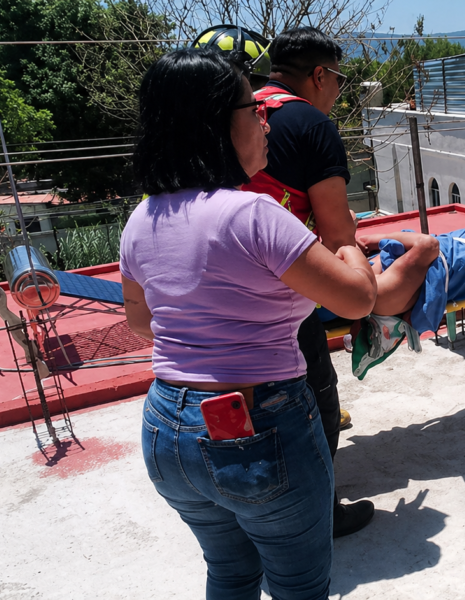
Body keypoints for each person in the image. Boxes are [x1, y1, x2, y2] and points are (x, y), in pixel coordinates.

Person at [120, 48, 378, 599]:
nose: (264, 119)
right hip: (259, 422)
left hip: (167, 428)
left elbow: (142, 323)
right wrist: (348, 245)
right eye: (252, 107)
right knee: (298, 586)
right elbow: (357, 299)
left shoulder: (142, 219)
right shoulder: (254, 214)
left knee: (231, 575)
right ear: (215, 123)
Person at [241, 26, 374, 537]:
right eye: (338, 79)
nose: (338, 90)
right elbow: (337, 229)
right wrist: (352, 260)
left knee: (244, 401)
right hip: (283, 284)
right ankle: (318, 514)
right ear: (318, 75)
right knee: (313, 394)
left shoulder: (237, 108)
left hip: (218, 285)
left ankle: (252, 505)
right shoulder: (309, 123)